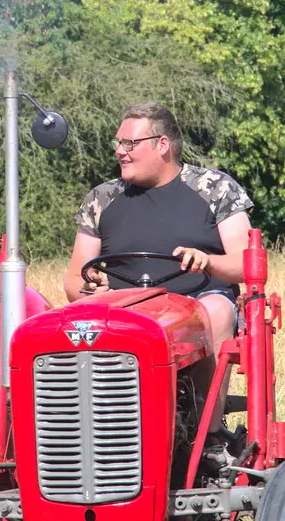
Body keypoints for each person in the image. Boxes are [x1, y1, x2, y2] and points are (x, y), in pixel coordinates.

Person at [65, 103, 254, 462]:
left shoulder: (214, 188)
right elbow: (74, 280)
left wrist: (208, 261)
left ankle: (207, 436)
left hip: (196, 302)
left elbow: (246, 266)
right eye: (118, 142)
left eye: (130, 143)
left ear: (163, 144)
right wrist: (91, 288)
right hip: (124, 311)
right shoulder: (102, 198)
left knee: (215, 310)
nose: (120, 150)